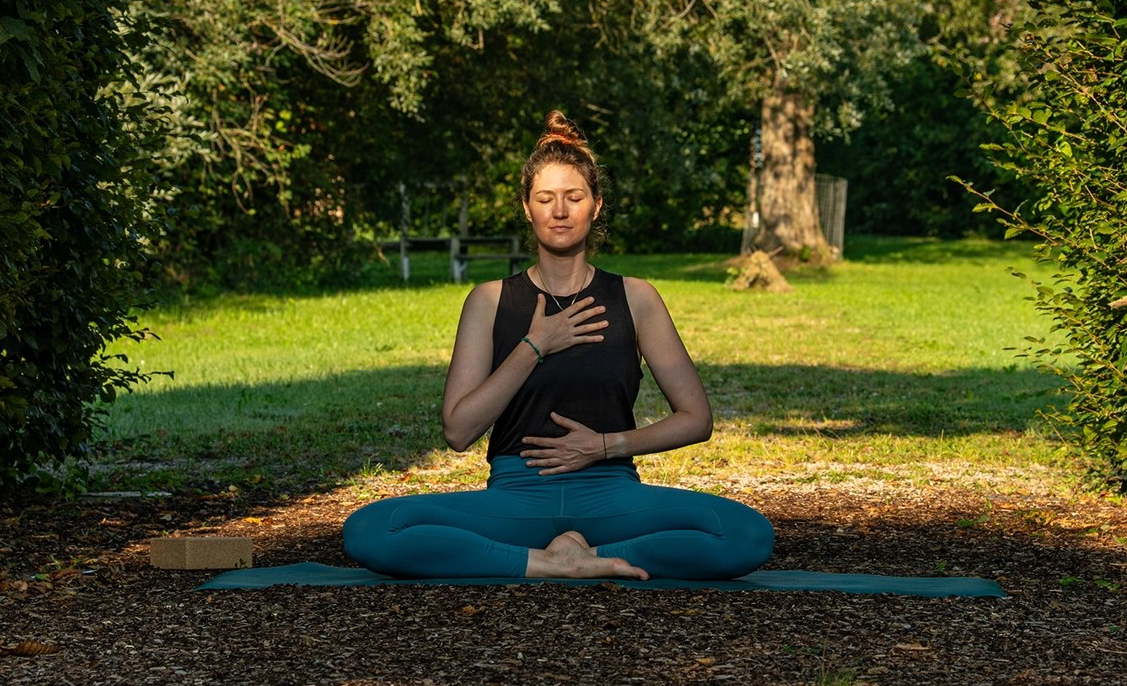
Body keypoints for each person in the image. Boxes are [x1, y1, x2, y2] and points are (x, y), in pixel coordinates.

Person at [343, 111, 774, 580]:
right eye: (545, 199)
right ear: (527, 208)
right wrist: (535, 344)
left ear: (596, 205)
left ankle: (592, 555)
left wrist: (606, 445)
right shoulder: (489, 301)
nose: (560, 211)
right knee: (372, 529)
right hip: (517, 497)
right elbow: (458, 431)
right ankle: (543, 561)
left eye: (574, 197)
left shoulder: (636, 298)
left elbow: (696, 418)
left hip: (611, 495)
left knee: (746, 535)